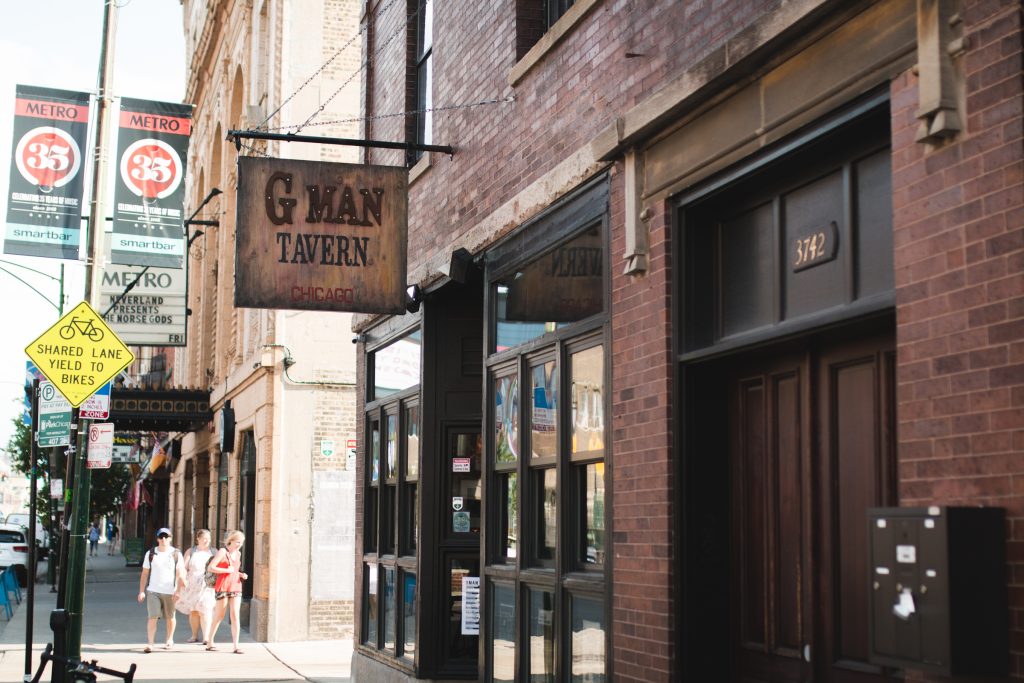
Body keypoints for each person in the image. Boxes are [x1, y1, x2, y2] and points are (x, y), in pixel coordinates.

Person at [137, 527, 185, 653]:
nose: (163, 539)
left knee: (170, 617)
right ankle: (150, 643)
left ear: (170, 538)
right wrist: (141, 591)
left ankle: (169, 639)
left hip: (170, 591)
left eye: (166, 537)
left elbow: (180, 574)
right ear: (157, 539)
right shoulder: (151, 553)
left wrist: (178, 590)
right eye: (161, 537)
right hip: (153, 590)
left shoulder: (176, 554)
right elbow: (144, 573)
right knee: (152, 617)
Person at [206, 530, 248, 654]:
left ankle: (236, 646)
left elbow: (233, 570)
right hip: (223, 586)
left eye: (241, 542)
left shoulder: (238, 554)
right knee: (219, 615)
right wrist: (226, 571)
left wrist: (241, 574)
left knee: (235, 616)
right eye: (237, 542)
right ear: (231, 540)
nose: (239, 545)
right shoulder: (223, 552)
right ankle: (210, 641)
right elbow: (211, 567)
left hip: (236, 586)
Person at [176, 529, 216, 645]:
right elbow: (184, 567)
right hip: (192, 584)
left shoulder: (214, 551)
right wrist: (182, 579)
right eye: (204, 539)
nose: (206, 541)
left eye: (208, 539)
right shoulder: (191, 551)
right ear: (197, 539)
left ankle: (206, 637)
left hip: (207, 584)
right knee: (194, 611)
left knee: (205, 610)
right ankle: (194, 635)